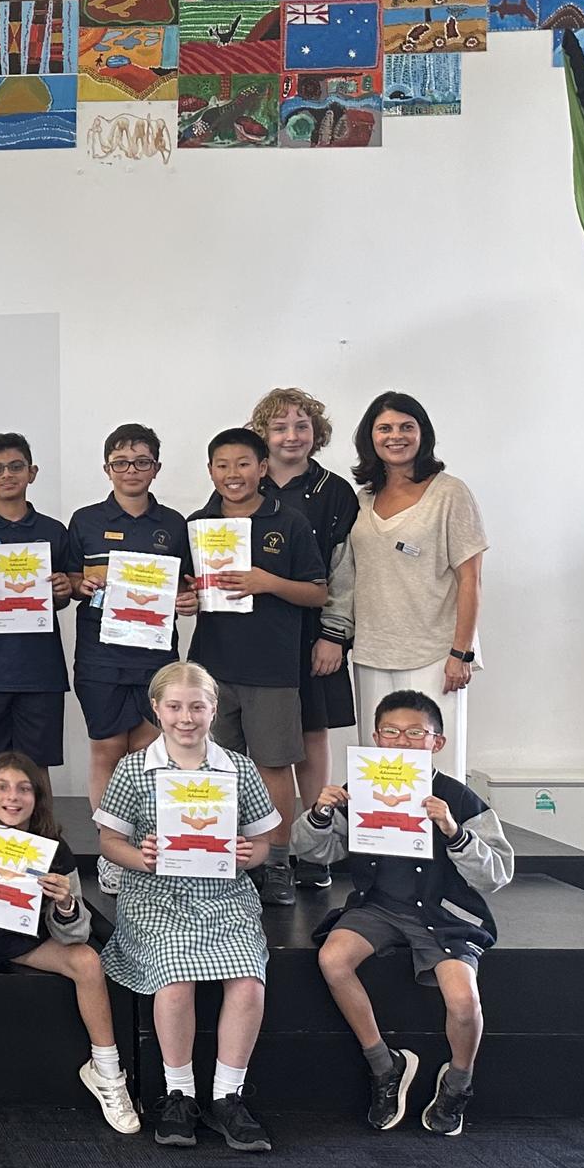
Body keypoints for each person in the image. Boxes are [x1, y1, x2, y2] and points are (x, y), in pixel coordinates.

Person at [294, 691, 513, 1137]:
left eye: (416, 733)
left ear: (437, 742)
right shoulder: (361, 791)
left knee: (464, 1002)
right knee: (332, 959)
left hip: (444, 914)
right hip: (378, 907)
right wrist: (319, 813)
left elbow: (498, 874)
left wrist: (453, 832)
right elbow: (312, 851)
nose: (401, 741)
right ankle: (383, 1064)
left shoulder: (460, 799)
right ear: (376, 739)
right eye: (391, 732)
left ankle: (458, 1082)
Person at [95, 661, 281, 1153]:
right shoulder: (133, 768)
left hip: (225, 896)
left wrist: (249, 855)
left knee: (248, 979)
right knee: (175, 978)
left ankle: (227, 1097)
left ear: (213, 710)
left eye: (197, 707)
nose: (186, 717)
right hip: (155, 896)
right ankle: (179, 1094)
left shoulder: (238, 768)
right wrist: (141, 857)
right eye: (175, 706)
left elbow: (263, 841)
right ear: (156, 709)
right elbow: (109, 840)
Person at [0, 750, 139, 1134]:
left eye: (23, 789)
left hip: (25, 939)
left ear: (37, 796)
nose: (12, 797)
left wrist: (66, 904)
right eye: (2, 787)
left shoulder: (54, 848)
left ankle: (106, 1070)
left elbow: (76, 934)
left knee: (86, 961)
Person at [188, 428, 328, 907]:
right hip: (211, 670)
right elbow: (186, 587)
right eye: (222, 465)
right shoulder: (198, 524)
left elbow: (317, 593)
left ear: (262, 468)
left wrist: (268, 582)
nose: (233, 474)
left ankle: (278, 863)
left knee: (272, 766)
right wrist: (184, 598)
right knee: (216, 769)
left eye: (244, 463)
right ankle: (222, 858)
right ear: (210, 471)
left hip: (271, 669)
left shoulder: (288, 522)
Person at [349, 392, 487, 778]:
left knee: (437, 768)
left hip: (435, 653)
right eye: (385, 428)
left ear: (422, 433)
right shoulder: (363, 499)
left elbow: (471, 578)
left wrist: (461, 653)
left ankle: (445, 824)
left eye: (406, 427)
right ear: (370, 437)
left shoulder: (450, 493)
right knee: (381, 769)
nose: (396, 436)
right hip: (373, 651)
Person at [251, 389, 360, 865]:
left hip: (316, 634)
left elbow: (345, 571)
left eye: (301, 426)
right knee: (265, 745)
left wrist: (334, 634)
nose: (291, 436)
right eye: (279, 427)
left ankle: (317, 848)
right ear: (263, 434)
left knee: (313, 735)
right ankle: (272, 852)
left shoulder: (334, 491)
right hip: (257, 636)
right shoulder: (245, 480)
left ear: (317, 433)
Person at [67, 425, 193, 815]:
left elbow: (185, 585)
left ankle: (145, 837)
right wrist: (80, 585)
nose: (131, 470)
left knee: (149, 750)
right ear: (107, 469)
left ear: (156, 468)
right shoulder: (85, 520)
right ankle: (109, 840)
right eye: (120, 462)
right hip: (100, 656)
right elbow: (69, 579)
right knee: (106, 748)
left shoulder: (174, 524)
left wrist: (187, 599)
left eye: (141, 462)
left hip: (155, 656)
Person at [0, 434, 81, 771]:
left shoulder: (54, 531)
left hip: (41, 670)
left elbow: (63, 598)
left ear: (32, 472)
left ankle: (40, 814)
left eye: (15, 467)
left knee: (37, 768)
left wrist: (63, 591)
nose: (6, 475)